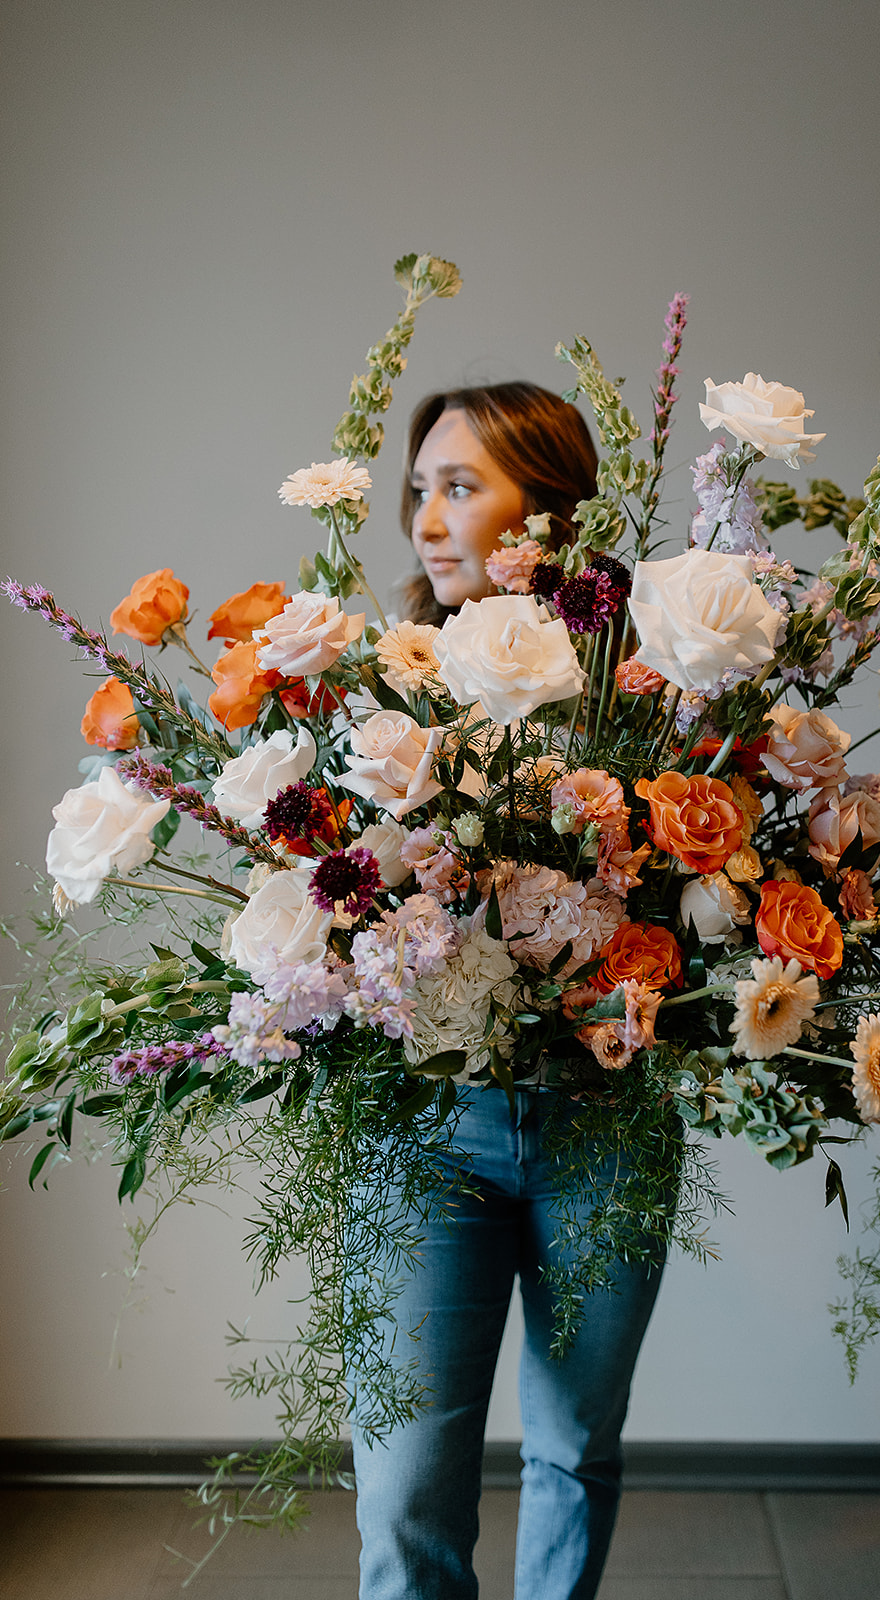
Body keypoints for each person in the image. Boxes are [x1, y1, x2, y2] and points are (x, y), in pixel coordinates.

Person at [349, 382, 675, 1600]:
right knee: (403, 1492)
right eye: (419, 489)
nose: (427, 520)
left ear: (544, 512)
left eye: (460, 487)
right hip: (423, 1122)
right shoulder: (380, 695)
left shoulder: (647, 702)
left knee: (573, 1452)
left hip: (604, 1119)